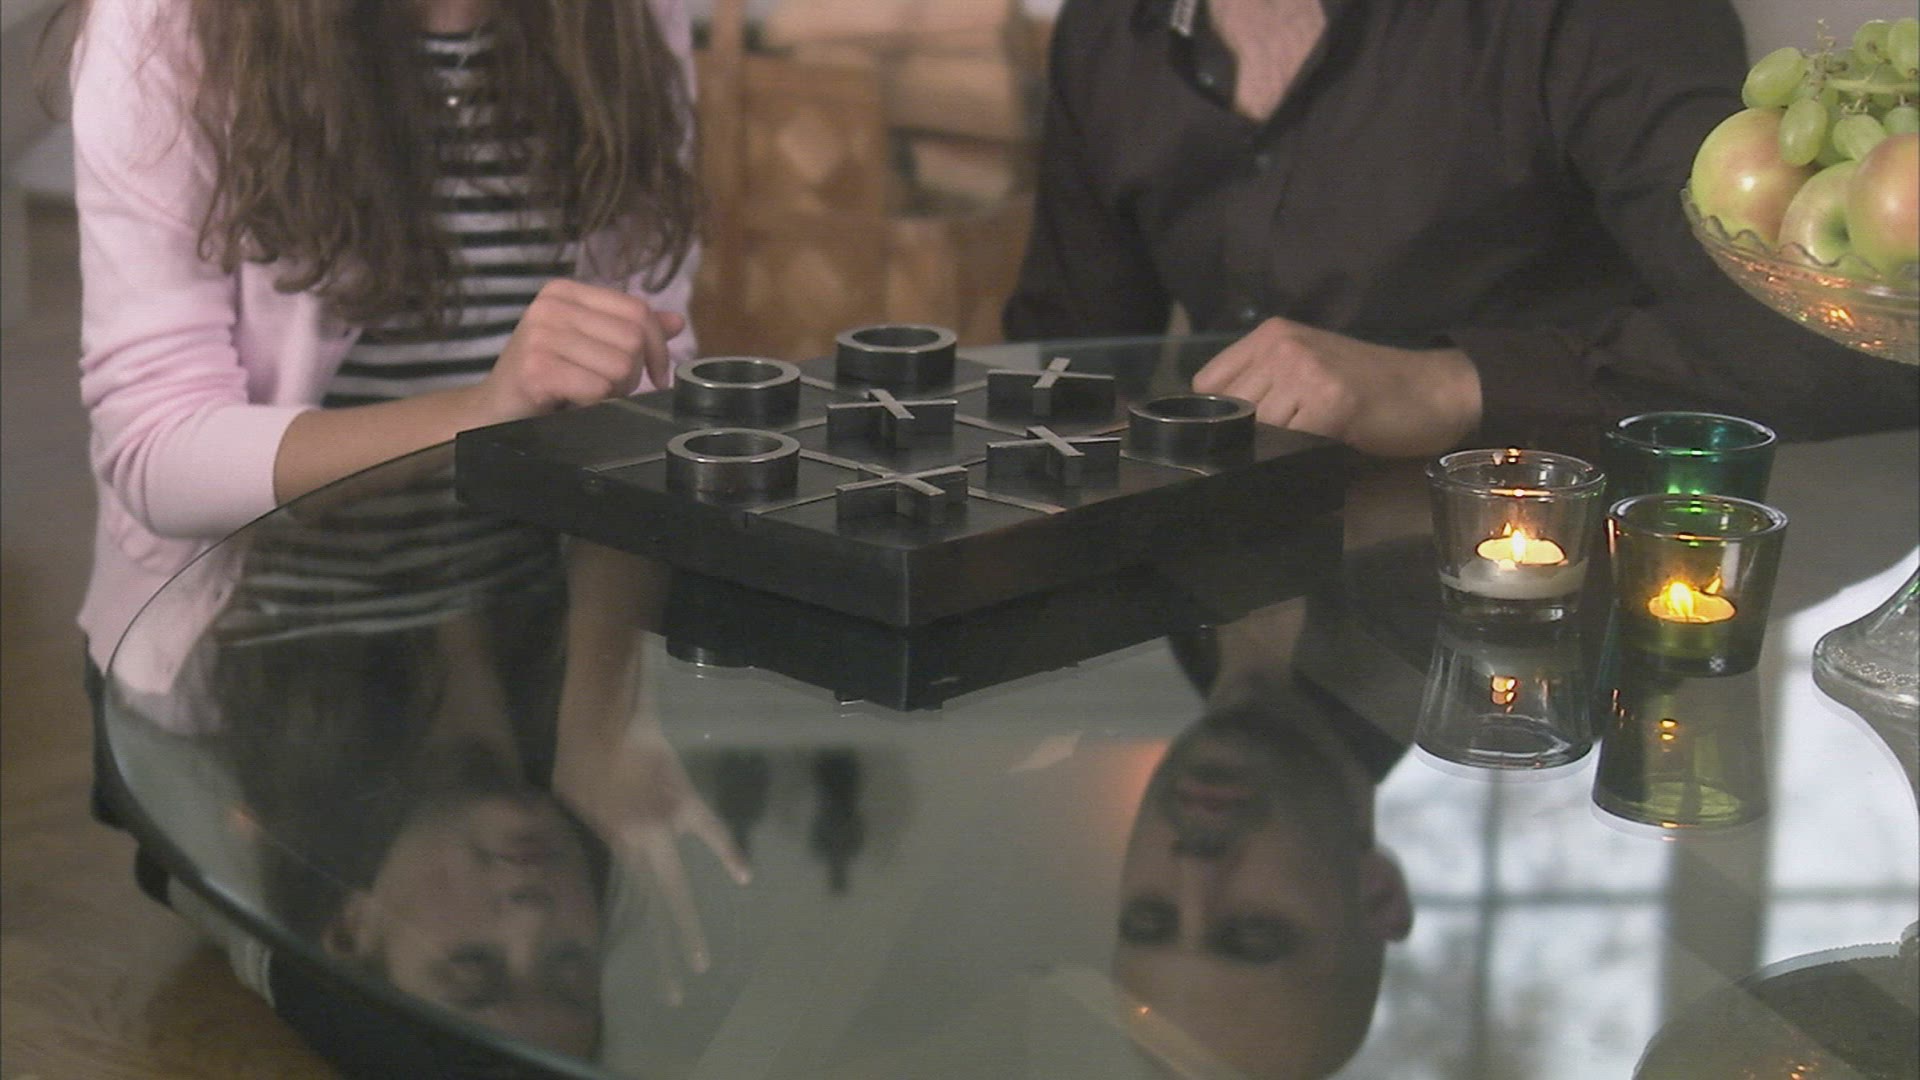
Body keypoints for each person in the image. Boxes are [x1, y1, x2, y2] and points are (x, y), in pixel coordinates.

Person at [1002, 0, 1920, 458]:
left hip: (1556, 615)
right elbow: (1065, 359)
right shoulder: (1107, 29)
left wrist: (1454, 385)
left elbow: (1825, 348)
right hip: (1223, 622)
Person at [1115, 596, 1413, 1080]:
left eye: (1149, 918)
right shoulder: (1471, 622)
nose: (1194, 869)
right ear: (1375, 895)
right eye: (1254, 930)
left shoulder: (1109, 617)